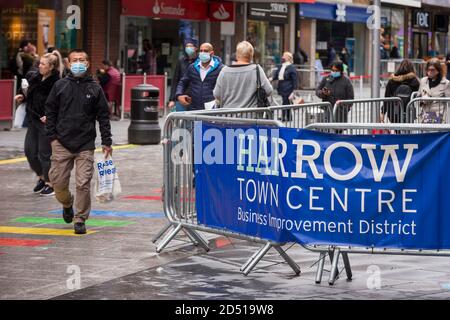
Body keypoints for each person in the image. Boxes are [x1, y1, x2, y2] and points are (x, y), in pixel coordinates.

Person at [45, 49, 113, 234]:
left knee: (83, 182)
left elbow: (103, 117)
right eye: (74, 60)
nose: (78, 63)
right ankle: (67, 203)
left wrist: (107, 141)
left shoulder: (95, 88)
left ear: (88, 63)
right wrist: (52, 137)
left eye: (81, 60)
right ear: (68, 63)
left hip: (85, 144)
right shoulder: (60, 85)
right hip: (61, 142)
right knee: (57, 183)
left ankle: (80, 218)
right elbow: (50, 111)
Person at [14, 51, 63, 196]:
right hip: (33, 119)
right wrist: (21, 96)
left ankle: (50, 183)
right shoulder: (34, 77)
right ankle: (41, 177)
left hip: (47, 123)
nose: (39, 66)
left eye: (42, 64)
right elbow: (28, 92)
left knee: (44, 154)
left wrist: (50, 116)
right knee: (30, 152)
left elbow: (61, 103)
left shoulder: (57, 83)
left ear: (51, 67)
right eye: (39, 63)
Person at [213, 41, 272, 109]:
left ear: (237, 55)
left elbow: (216, 94)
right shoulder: (257, 69)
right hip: (250, 116)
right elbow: (268, 90)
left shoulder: (224, 70)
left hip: (228, 115)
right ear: (251, 55)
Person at [176, 43, 223, 111]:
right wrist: (179, 95)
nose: (202, 53)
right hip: (194, 109)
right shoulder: (192, 67)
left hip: (211, 110)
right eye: (201, 51)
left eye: (205, 51)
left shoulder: (220, 69)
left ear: (212, 53)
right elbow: (183, 82)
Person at [381, 59, 420, 124]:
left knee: (397, 130)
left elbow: (387, 98)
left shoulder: (392, 81)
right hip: (408, 111)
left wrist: (383, 113)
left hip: (393, 112)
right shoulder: (414, 81)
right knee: (408, 130)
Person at [168, 38, 198, 112]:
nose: (188, 48)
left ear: (196, 48)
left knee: (197, 121)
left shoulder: (199, 62)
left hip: (195, 98)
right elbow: (175, 80)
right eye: (186, 46)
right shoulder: (181, 61)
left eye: (190, 46)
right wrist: (172, 99)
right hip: (181, 97)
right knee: (182, 121)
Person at [417, 58, 450, 123]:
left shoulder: (446, 83)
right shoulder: (423, 81)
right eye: (428, 70)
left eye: (432, 70)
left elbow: (449, 102)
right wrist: (422, 100)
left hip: (439, 117)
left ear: (438, 71)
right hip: (425, 115)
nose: (430, 72)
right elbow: (417, 97)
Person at [272, 52, 297, 121]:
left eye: (284, 56)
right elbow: (277, 75)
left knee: (285, 102)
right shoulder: (281, 66)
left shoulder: (291, 67)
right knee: (286, 102)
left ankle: (284, 116)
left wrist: (294, 91)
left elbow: (295, 80)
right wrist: (271, 79)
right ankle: (289, 117)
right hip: (281, 86)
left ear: (288, 58)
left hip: (288, 87)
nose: (282, 57)